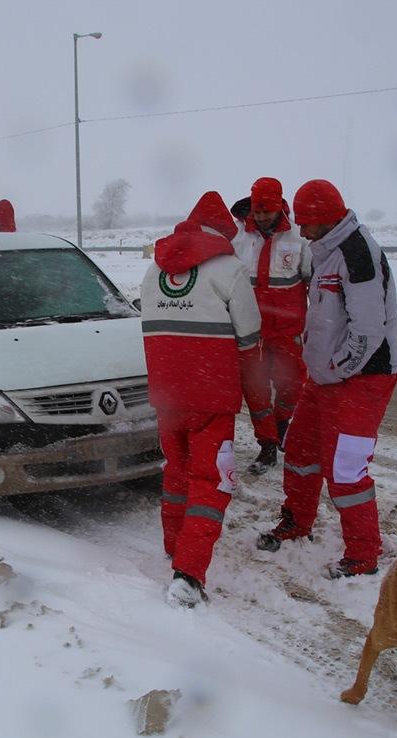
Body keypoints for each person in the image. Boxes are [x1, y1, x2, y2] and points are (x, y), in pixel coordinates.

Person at [257, 179, 397, 580]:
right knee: (301, 453)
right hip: (326, 379)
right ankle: (297, 521)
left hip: (362, 379)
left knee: (346, 469)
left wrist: (336, 368)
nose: (300, 231)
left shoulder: (357, 254)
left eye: (307, 223)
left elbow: (368, 332)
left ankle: (363, 555)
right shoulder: (326, 249)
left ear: (326, 218)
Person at [140, 191, 262, 608]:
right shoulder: (230, 270)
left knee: (177, 472)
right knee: (212, 483)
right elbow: (249, 339)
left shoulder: (154, 269)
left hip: (167, 397)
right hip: (211, 399)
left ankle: (175, 545)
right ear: (225, 233)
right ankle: (188, 576)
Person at [231, 177, 311, 475]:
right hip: (251, 332)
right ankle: (267, 446)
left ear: (280, 206)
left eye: (268, 211)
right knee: (256, 392)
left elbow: (313, 284)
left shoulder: (299, 239)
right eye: (258, 211)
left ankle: (280, 426)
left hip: (288, 331)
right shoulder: (238, 238)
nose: (262, 217)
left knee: (292, 387)